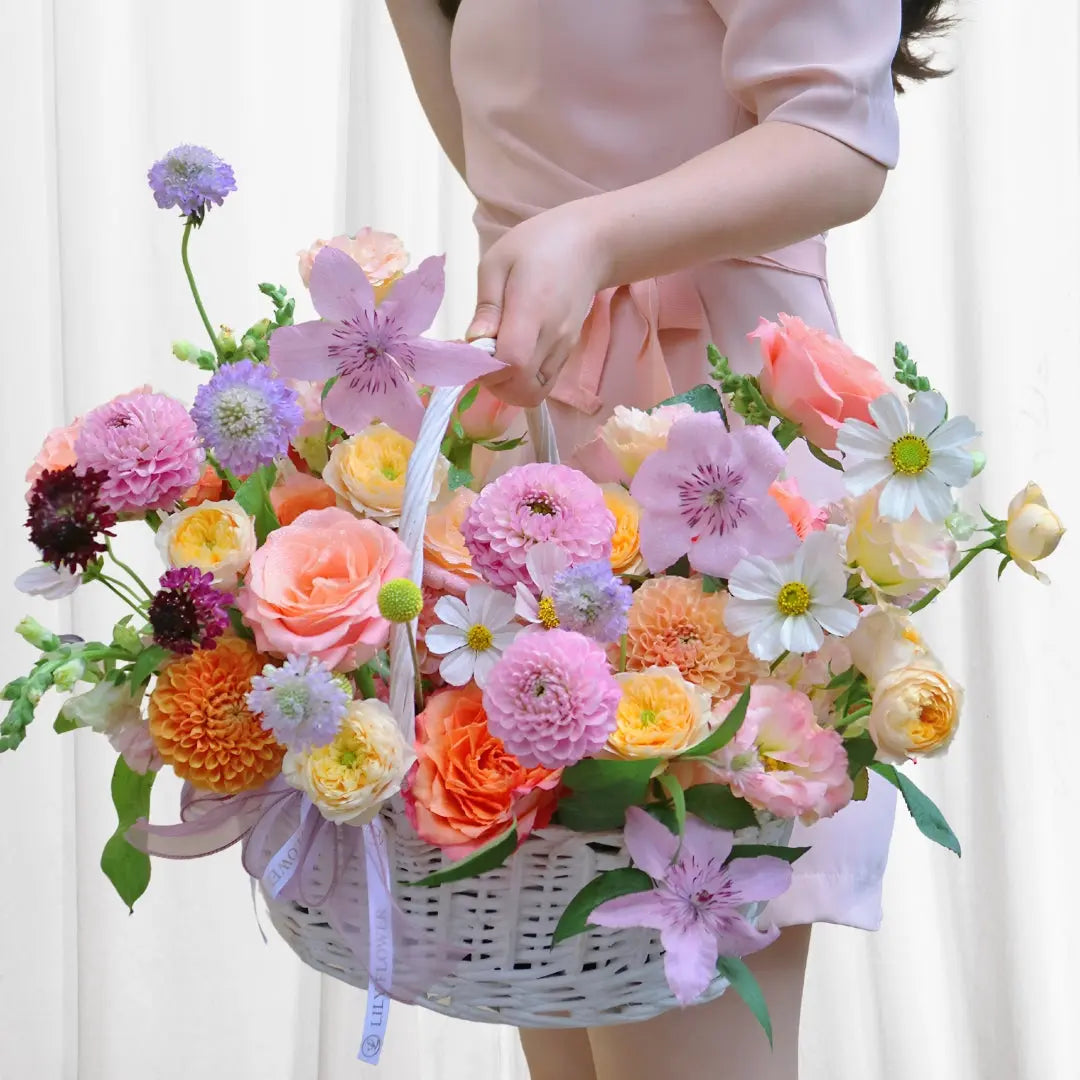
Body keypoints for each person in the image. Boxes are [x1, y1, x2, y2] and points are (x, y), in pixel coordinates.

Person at [385, 3, 952, 1078]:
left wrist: (591, 234)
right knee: (567, 1025)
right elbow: (517, 158)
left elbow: (840, 132)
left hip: (710, 465)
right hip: (541, 463)